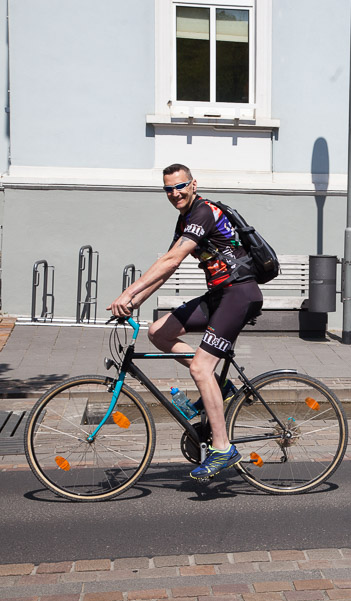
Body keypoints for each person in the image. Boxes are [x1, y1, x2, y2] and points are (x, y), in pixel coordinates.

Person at [108, 163, 263, 480]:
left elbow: (172, 259)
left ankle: (222, 448)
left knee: (200, 367)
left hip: (239, 294)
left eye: (180, 186)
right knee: (158, 332)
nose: (174, 193)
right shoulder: (185, 220)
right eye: (168, 189)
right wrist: (136, 301)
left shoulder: (203, 212)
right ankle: (223, 387)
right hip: (219, 295)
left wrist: (128, 291)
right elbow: (167, 269)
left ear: (193, 184)